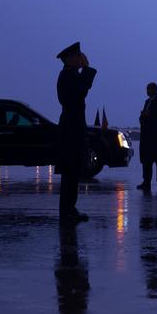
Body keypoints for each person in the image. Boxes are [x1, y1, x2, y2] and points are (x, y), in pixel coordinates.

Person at [56, 42, 97, 222]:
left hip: (72, 127)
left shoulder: (70, 75)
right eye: (78, 56)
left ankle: (69, 209)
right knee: (70, 172)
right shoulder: (68, 76)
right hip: (71, 128)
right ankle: (67, 211)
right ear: (70, 59)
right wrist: (87, 69)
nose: (81, 58)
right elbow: (80, 92)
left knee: (72, 173)